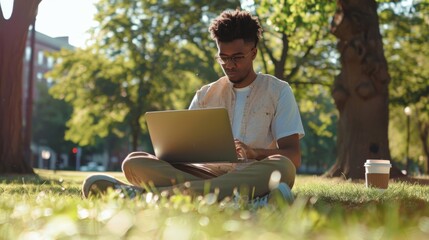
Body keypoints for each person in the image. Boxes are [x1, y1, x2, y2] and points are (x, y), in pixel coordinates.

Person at [82, 9, 304, 205]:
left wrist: (255, 153)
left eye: (237, 57)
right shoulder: (206, 94)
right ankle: (251, 200)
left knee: (282, 167)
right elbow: (181, 150)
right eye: (223, 58)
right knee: (134, 162)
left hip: (253, 173)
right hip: (203, 174)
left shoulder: (278, 91)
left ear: (253, 52)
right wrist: (173, 153)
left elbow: (293, 156)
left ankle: (148, 197)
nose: (229, 65)